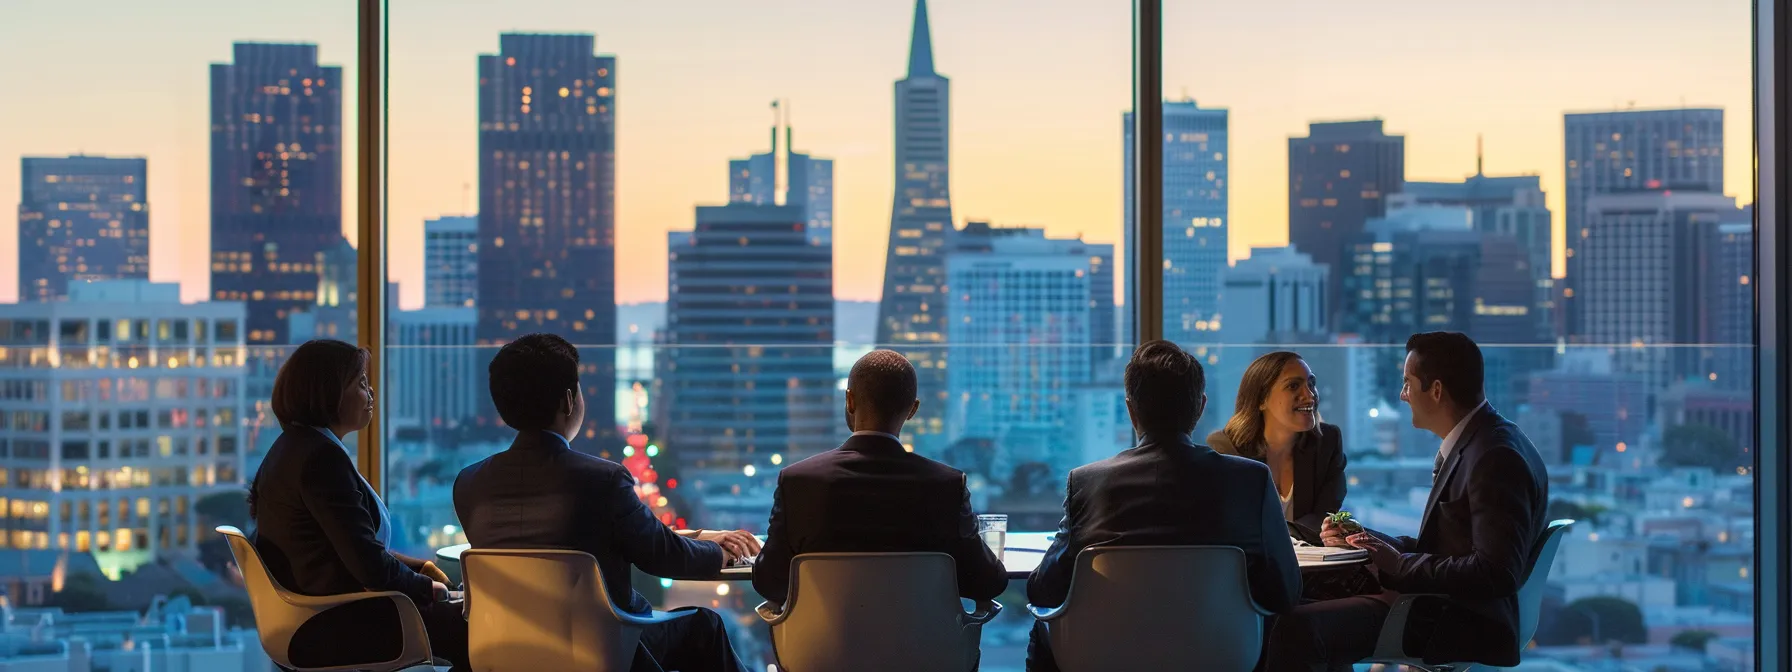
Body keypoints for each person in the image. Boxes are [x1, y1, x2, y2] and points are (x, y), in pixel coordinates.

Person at [454, 334, 758, 672]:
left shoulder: (470, 483)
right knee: (705, 625)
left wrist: (698, 535)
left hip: (505, 650)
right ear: (569, 400)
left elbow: (583, 540)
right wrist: (722, 552)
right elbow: (661, 556)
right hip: (605, 648)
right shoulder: (602, 479)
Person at [1263, 332, 1549, 671]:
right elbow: (1451, 547)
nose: (1402, 396)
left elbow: (1495, 573)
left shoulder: (1494, 457)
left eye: (1408, 384)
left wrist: (1397, 565)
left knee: (1294, 626)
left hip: (1452, 618)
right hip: (1438, 603)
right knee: (1292, 605)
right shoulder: (1484, 441)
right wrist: (1367, 540)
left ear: (1437, 391)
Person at [1027, 341, 1302, 672]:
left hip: (1107, 659)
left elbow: (1043, 591)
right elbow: (1285, 592)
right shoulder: (1251, 481)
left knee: (1041, 628)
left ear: (1131, 410)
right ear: (1200, 407)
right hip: (1222, 656)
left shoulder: (1088, 482)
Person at [247, 339, 468, 670]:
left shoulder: (293, 448)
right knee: (481, 630)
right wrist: (428, 588)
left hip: (319, 615)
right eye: (362, 384)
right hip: (340, 624)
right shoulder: (321, 459)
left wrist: (419, 569)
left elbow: (345, 547)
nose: (371, 394)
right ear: (329, 393)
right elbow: (370, 568)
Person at [753, 349, 1008, 607]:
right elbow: (987, 582)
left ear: (850, 400)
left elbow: (769, 581)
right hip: (923, 645)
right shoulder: (947, 486)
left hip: (822, 646)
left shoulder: (798, 481)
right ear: (912, 410)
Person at [1207, 351, 1346, 545]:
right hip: (1250, 567)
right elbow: (1236, 524)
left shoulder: (1328, 442)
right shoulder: (1226, 449)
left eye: (1311, 384)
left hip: (1311, 566)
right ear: (1262, 399)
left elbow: (1325, 518)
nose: (1310, 395)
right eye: (1293, 386)